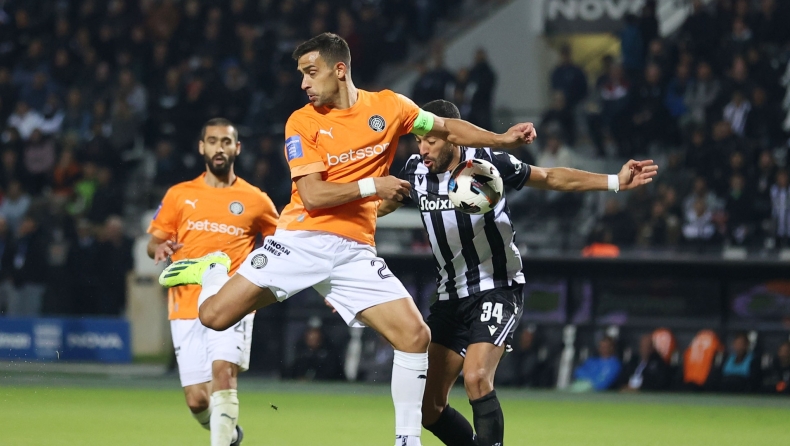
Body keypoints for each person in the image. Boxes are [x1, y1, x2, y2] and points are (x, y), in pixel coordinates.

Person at [159, 33, 536, 446]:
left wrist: (501, 139)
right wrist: (374, 185)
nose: (304, 82)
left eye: (311, 72)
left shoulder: (390, 107)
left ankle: (406, 439)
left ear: (339, 70)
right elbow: (314, 196)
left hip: (355, 251)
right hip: (300, 241)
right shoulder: (301, 122)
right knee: (213, 316)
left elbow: (448, 127)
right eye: (301, 74)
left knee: (415, 336)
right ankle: (214, 271)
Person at [376, 99, 656, 446]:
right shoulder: (415, 171)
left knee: (477, 377)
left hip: (497, 287)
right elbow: (381, 206)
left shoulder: (486, 163)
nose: (423, 148)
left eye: (430, 140)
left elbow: (550, 177)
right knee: (428, 408)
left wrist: (615, 180)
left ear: (451, 135)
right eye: (419, 140)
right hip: (450, 297)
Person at [147, 118, 279, 446]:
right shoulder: (179, 195)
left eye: (226, 141)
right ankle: (230, 434)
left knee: (223, 373)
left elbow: (281, 243)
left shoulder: (256, 199)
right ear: (201, 147)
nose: (219, 147)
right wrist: (159, 247)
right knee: (197, 400)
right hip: (185, 304)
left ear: (237, 148)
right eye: (212, 141)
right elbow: (155, 241)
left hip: (232, 301)